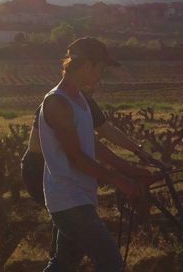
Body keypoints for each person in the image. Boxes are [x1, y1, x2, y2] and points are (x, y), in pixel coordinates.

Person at [36, 37, 160, 272]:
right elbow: (76, 157)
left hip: (76, 199)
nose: (103, 75)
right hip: (69, 201)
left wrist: (131, 170)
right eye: (102, 68)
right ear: (87, 65)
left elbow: (92, 145)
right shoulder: (57, 103)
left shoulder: (79, 99)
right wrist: (120, 180)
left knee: (63, 265)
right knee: (111, 262)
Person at [20, 86, 156, 257]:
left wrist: (137, 150)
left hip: (69, 173)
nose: (95, 86)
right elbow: (34, 145)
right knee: (70, 219)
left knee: (72, 235)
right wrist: (69, 145)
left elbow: (106, 130)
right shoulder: (56, 103)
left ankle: (61, 261)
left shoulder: (85, 102)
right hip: (40, 173)